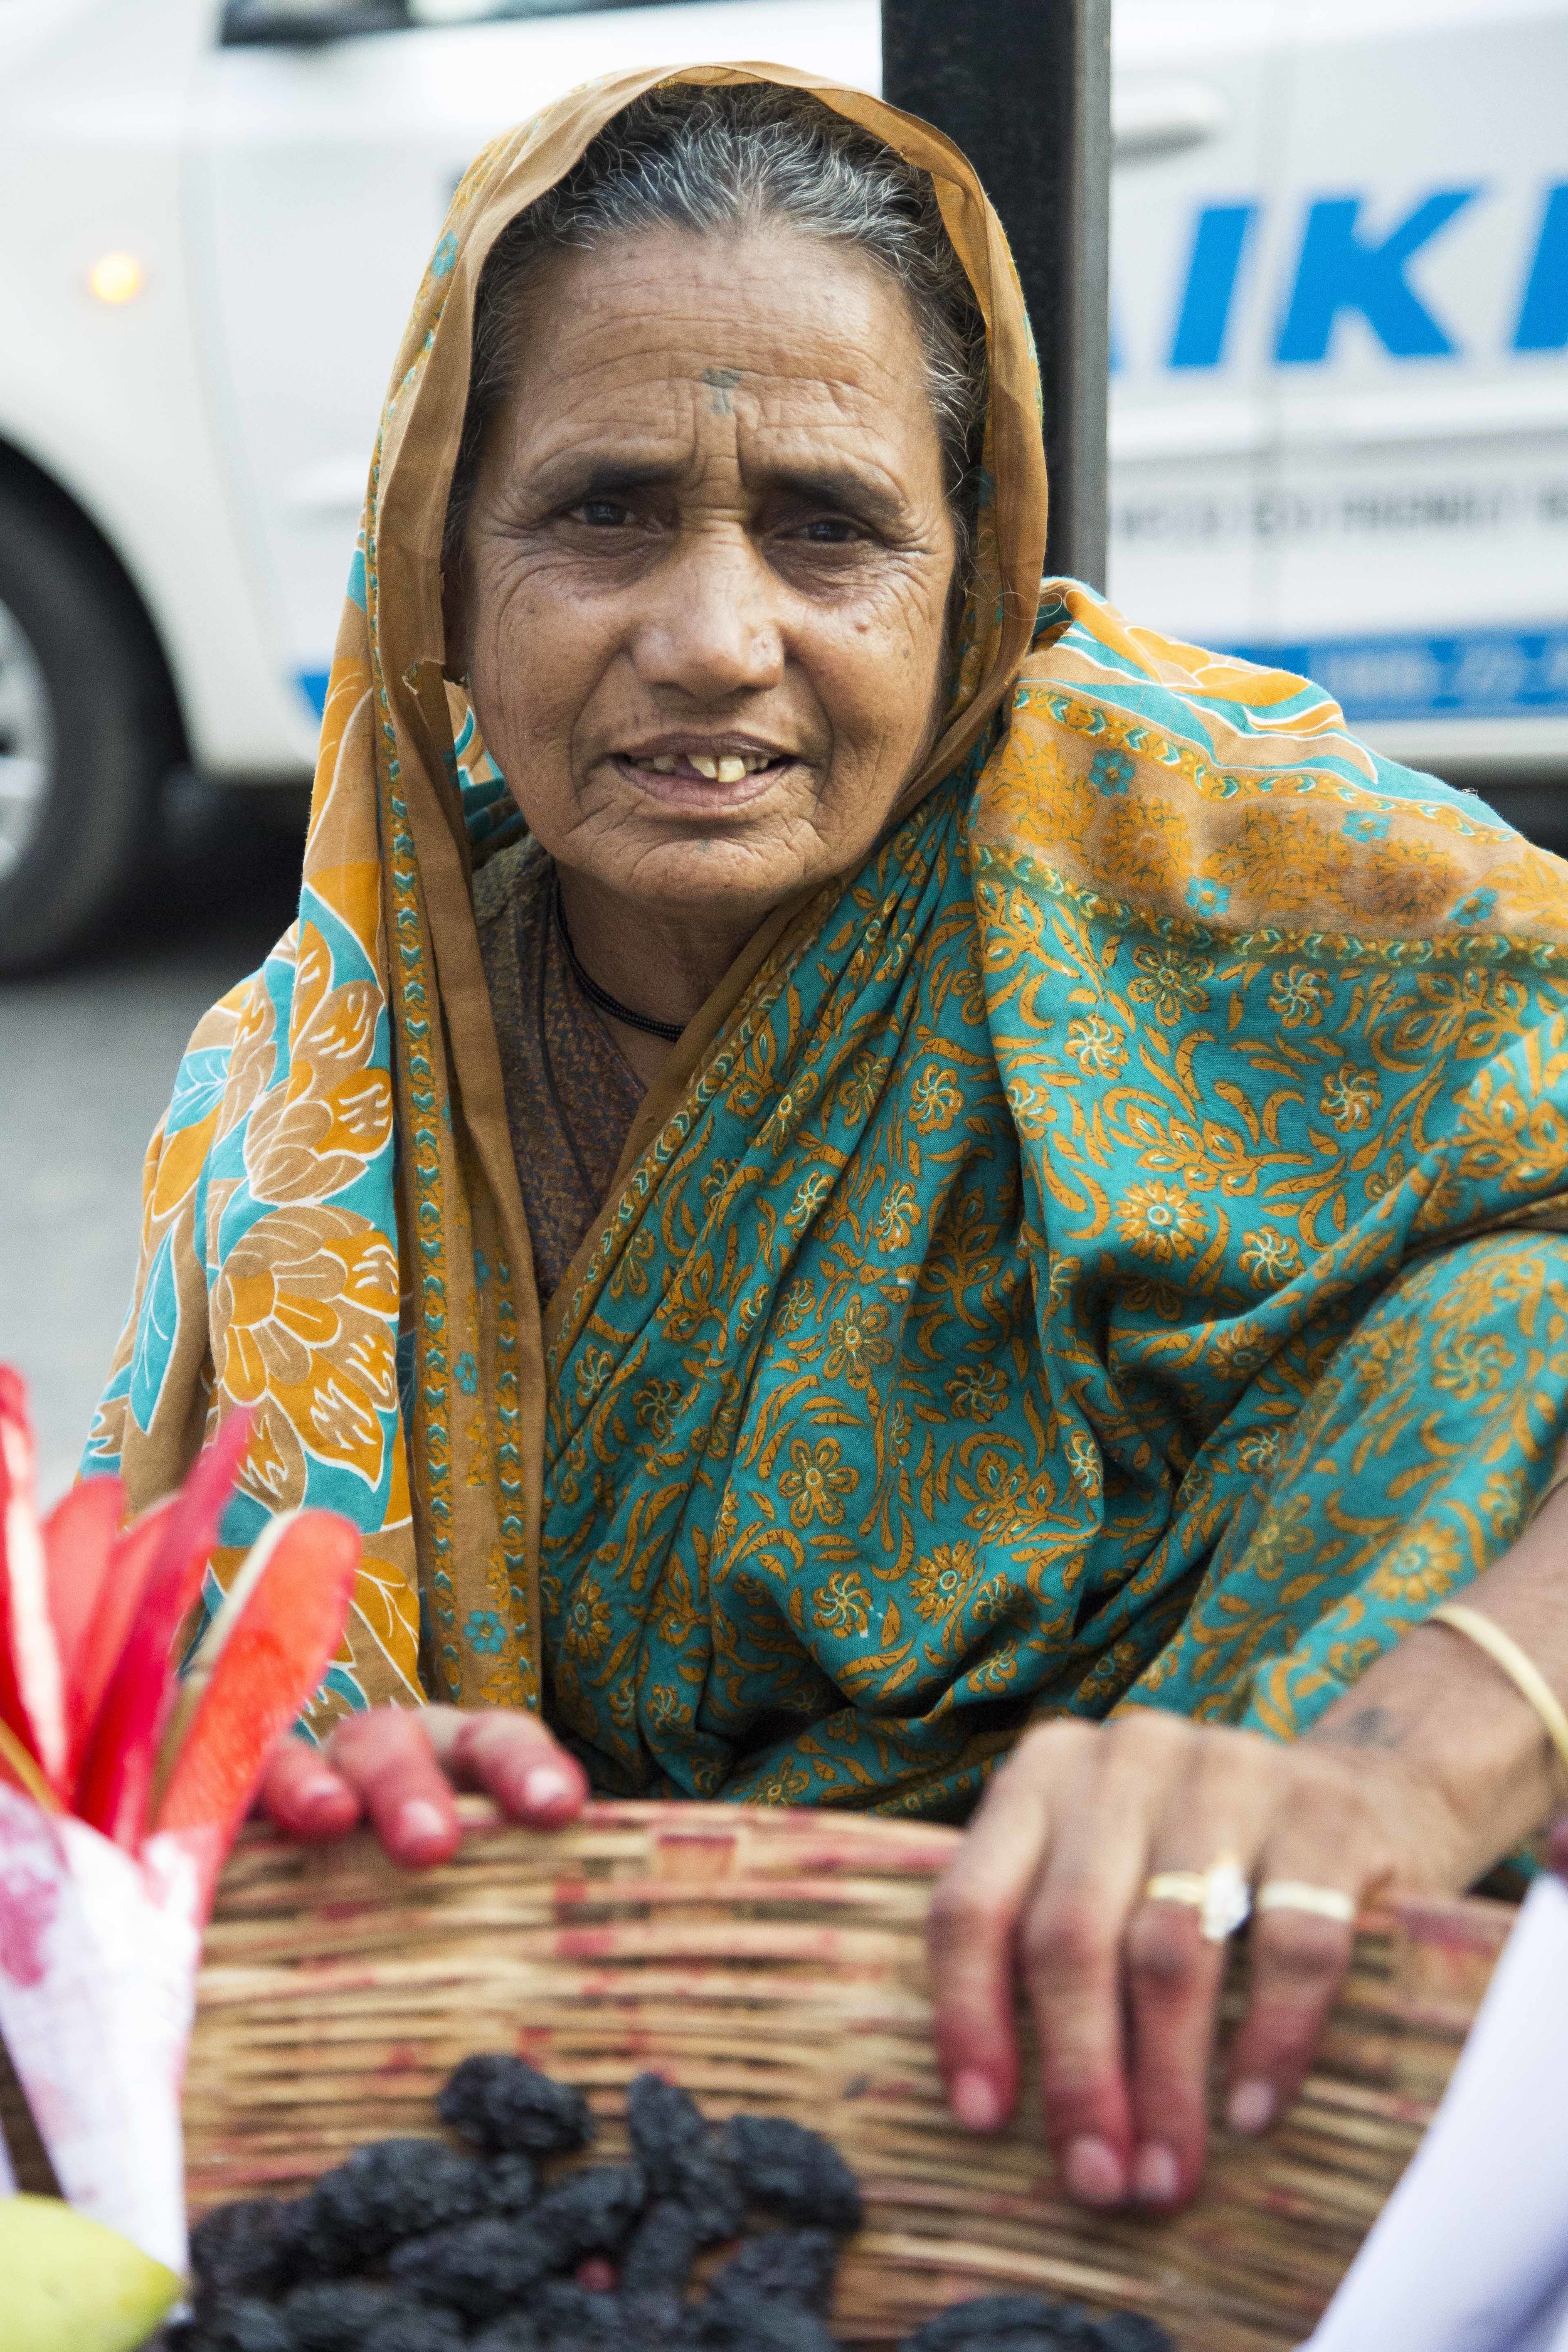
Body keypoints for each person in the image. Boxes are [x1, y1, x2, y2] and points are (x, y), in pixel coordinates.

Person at [88, 66, 1568, 2218]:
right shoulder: (311, 1093)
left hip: (1169, 2088)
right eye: (599, 511)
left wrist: (1419, 1749)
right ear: (438, 561)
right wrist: (323, 1804)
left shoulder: (1202, 867)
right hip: (571, 2152)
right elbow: (126, 1757)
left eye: (828, 527)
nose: (710, 637)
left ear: (968, 570)